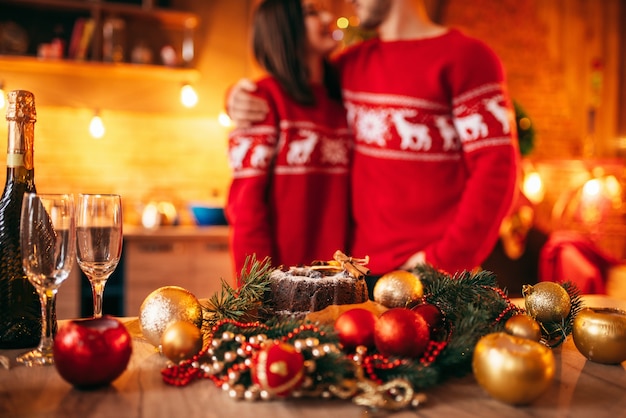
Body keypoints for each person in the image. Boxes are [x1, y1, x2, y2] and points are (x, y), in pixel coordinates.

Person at [227, 0, 520, 290]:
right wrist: (235, 98)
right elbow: (293, 85)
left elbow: (496, 171)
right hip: (356, 277)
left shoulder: (468, 58)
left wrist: (443, 260)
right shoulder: (349, 66)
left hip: (434, 277)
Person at [225, 0, 352, 279]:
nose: (329, 17)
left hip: (340, 285)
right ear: (283, 28)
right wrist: (256, 292)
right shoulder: (263, 100)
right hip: (283, 291)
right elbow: (246, 209)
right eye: (311, 12)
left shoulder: (341, 102)